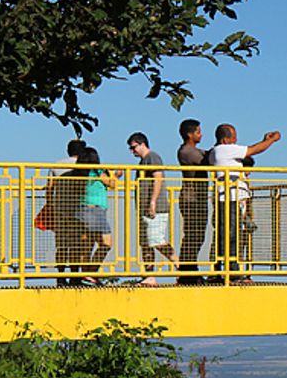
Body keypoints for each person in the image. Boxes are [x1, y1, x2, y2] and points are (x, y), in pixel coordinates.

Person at [209, 124, 281, 282]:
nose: (236, 140)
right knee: (231, 235)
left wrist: (263, 140)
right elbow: (253, 150)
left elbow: (251, 149)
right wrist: (272, 140)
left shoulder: (219, 151)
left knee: (227, 234)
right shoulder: (224, 149)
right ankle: (233, 272)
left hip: (228, 197)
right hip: (231, 198)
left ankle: (220, 271)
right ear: (225, 139)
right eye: (233, 137)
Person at [127, 132, 178, 286]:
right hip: (145, 208)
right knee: (146, 243)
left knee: (156, 240)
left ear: (142, 144)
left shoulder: (152, 157)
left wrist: (153, 202)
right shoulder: (143, 161)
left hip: (156, 208)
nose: (132, 151)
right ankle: (150, 276)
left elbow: (158, 178)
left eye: (133, 147)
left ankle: (180, 266)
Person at [73, 147, 117, 286]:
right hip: (96, 210)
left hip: (81, 209)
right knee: (106, 243)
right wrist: (116, 175)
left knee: (87, 244)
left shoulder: (78, 173)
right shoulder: (98, 171)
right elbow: (112, 184)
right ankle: (91, 273)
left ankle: (86, 275)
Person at [47, 139, 88, 286]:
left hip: (60, 210)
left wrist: (50, 205)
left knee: (62, 244)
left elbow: (49, 188)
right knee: (77, 244)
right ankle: (75, 276)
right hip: (79, 209)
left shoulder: (57, 165)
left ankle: (60, 276)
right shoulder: (84, 165)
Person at [176, 119, 209, 285]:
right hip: (192, 199)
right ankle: (187, 272)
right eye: (198, 132)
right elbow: (208, 159)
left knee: (197, 235)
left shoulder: (194, 150)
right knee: (192, 235)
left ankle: (189, 269)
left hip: (198, 198)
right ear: (190, 134)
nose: (201, 134)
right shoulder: (187, 152)